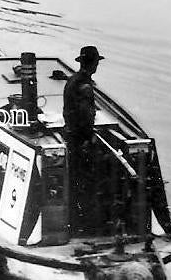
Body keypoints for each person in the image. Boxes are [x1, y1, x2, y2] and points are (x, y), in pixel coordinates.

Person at [64, 45, 104, 228]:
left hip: (70, 134)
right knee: (88, 178)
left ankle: (75, 215)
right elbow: (86, 116)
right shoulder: (86, 87)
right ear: (94, 64)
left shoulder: (72, 80)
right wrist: (89, 138)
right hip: (80, 139)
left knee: (74, 177)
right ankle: (88, 220)